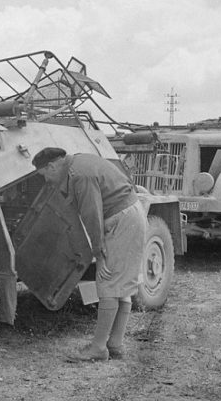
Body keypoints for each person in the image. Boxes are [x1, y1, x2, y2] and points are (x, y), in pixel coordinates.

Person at [31, 147, 147, 362]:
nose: (46, 180)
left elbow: (92, 214)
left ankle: (99, 348)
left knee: (107, 282)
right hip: (129, 216)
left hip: (121, 220)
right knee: (121, 284)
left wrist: (99, 254)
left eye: (44, 174)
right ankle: (115, 344)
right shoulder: (79, 162)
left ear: (52, 166)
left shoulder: (79, 176)